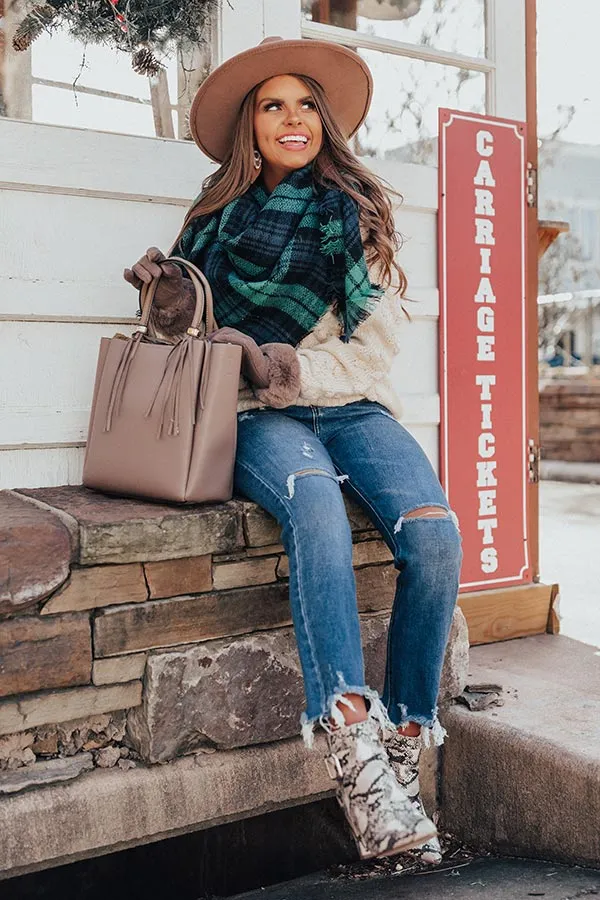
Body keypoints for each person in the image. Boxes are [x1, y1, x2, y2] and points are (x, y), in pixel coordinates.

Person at [124, 37, 462, 862]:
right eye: (273, 105)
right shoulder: (211, 219)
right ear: (252, 125)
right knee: (312, 500)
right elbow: (192, 350)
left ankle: (401, 750)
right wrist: (168, 296)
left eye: (306, 104)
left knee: (434, 532)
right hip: (252, 418)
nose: (293, 119)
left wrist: (282, 362)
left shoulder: (356, 213)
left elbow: (372, 355)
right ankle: (351, 743)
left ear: (325, 120)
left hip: (347, 404)